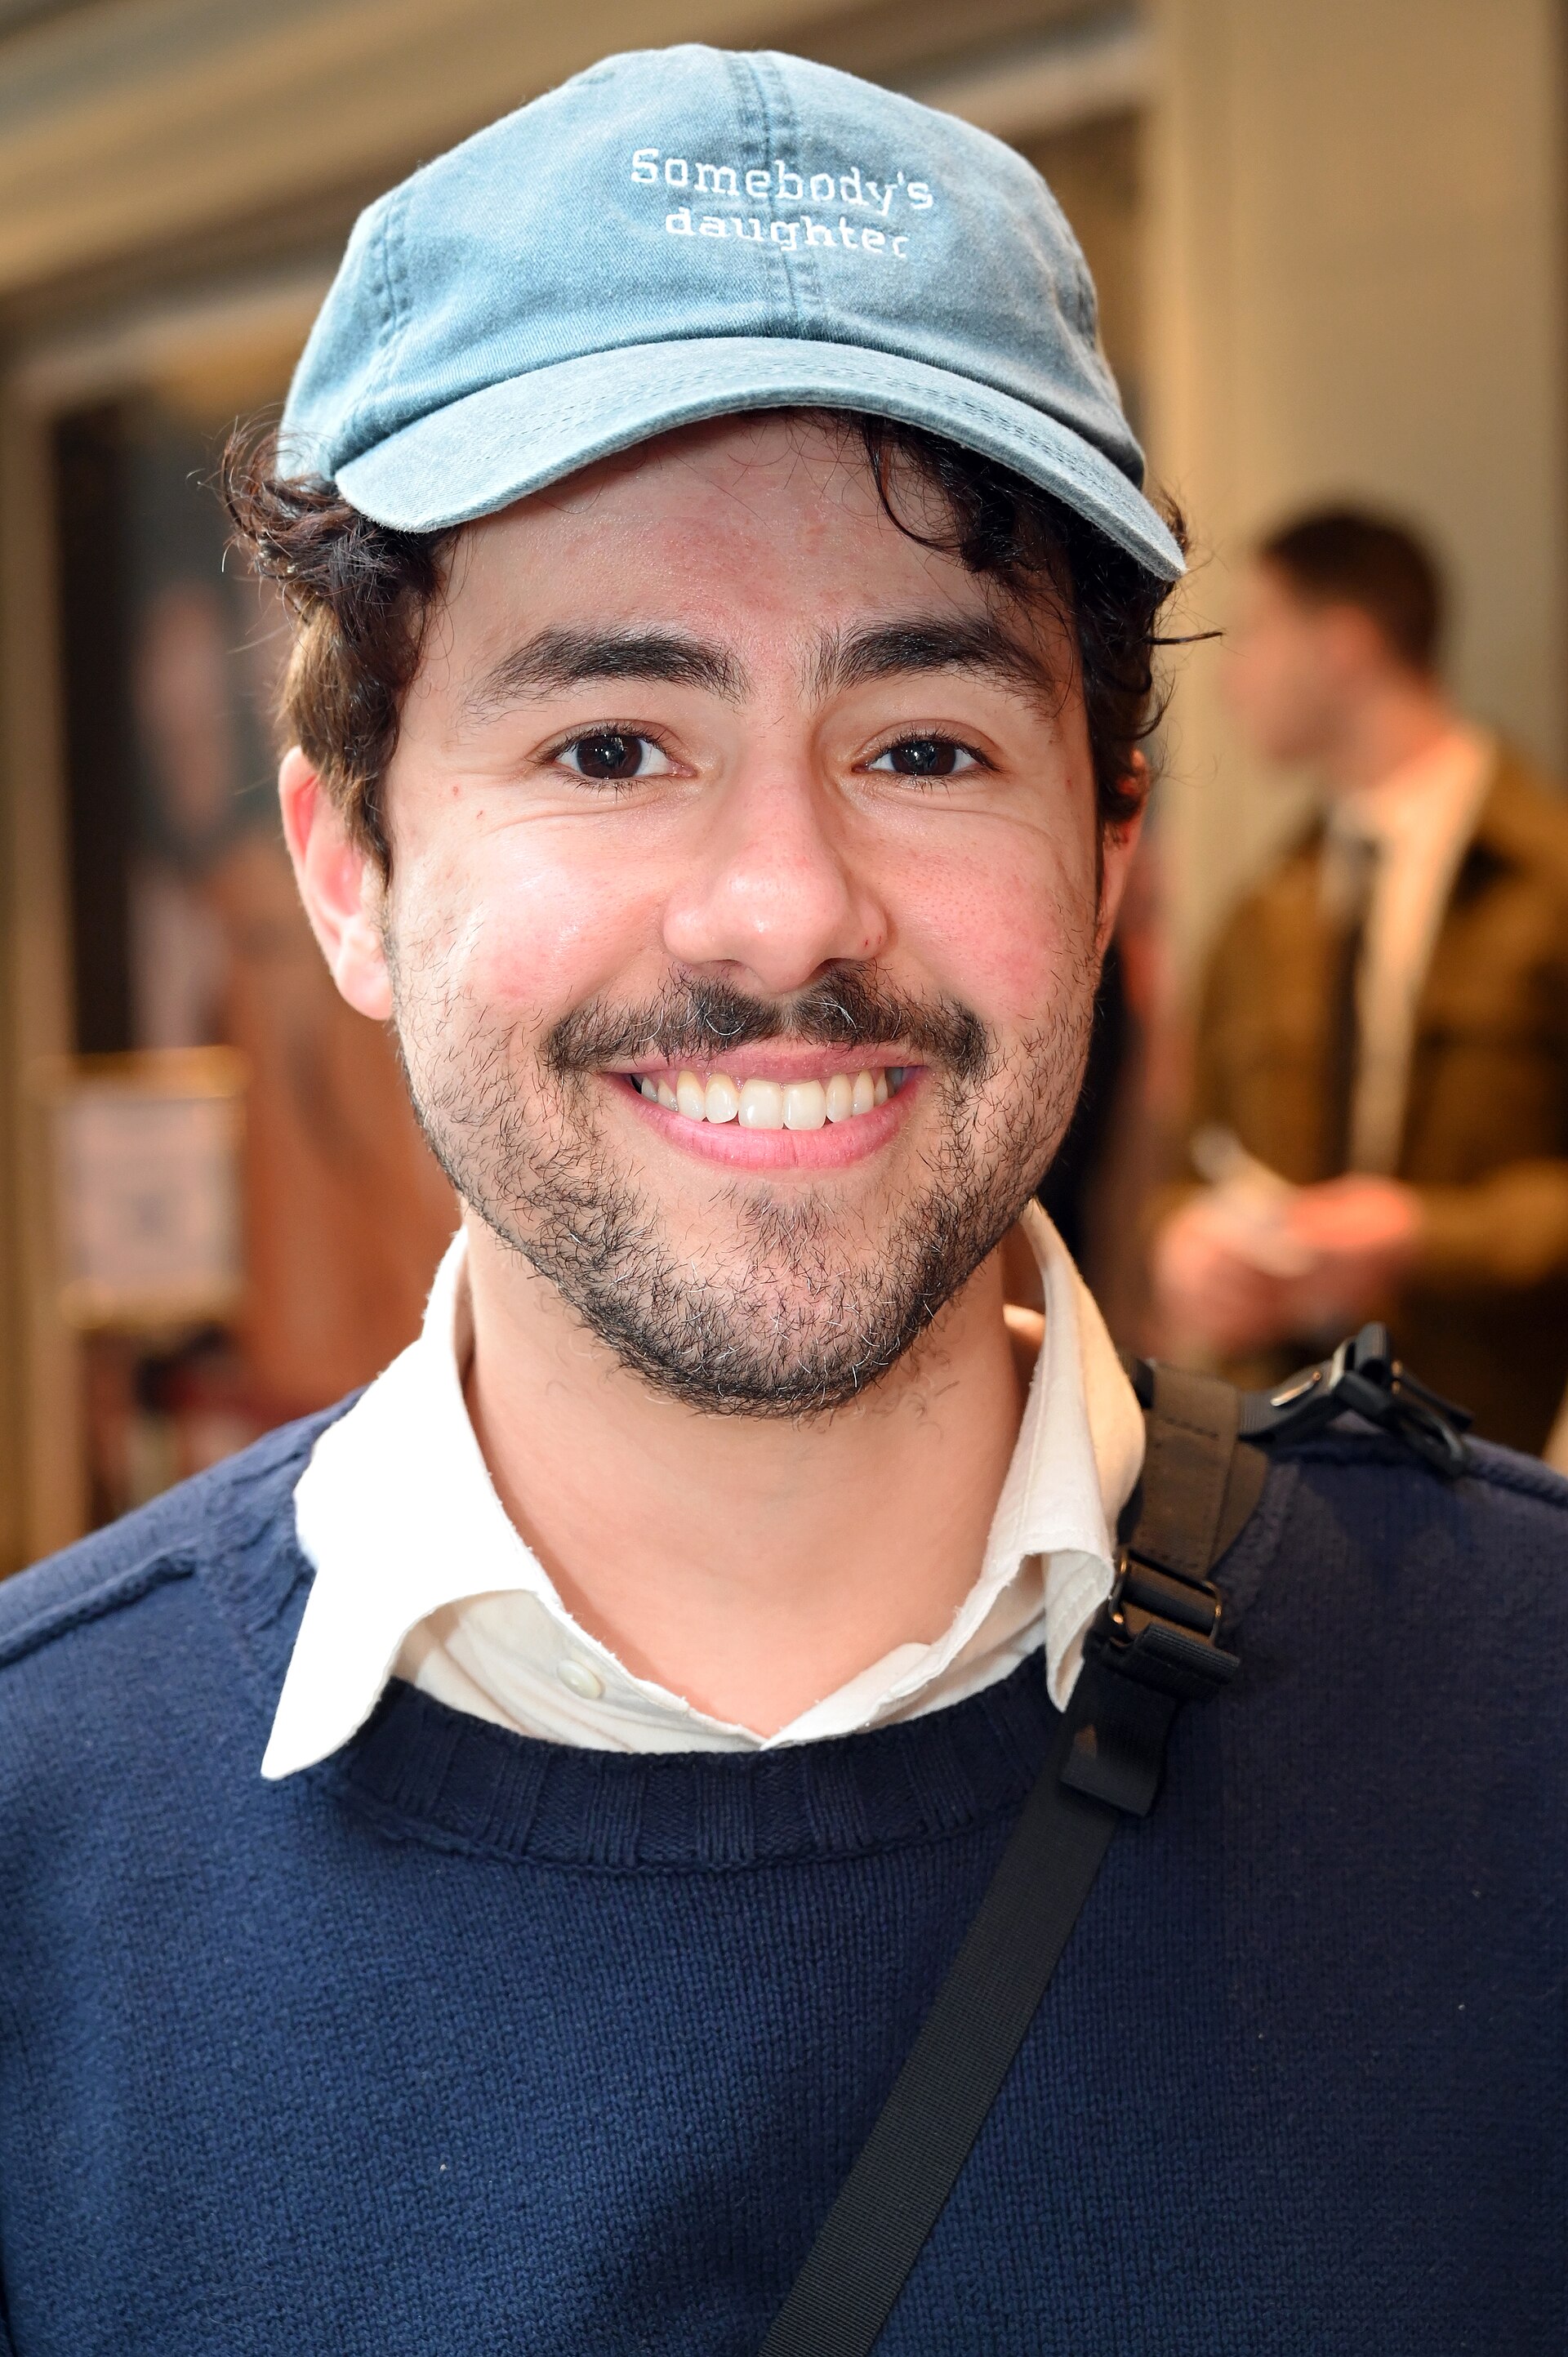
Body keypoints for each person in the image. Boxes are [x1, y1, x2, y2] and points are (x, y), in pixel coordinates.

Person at [0, 51, 1563, 2357]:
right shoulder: (44, 1848)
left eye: (925, 744)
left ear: (1110, 855)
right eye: (610, 743)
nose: (780, 907)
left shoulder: (1522, 1738)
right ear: (351, 865)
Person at [1152, 508, 1568, 1451]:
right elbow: (1187, 1170)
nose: (1234, 680)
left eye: (1257, 631)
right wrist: (1186, 1249)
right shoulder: (1268, 908)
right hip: (1300, 1451)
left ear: (1341, 646)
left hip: (1509, 1449)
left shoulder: (1546, 882)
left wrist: (1424, 1237)